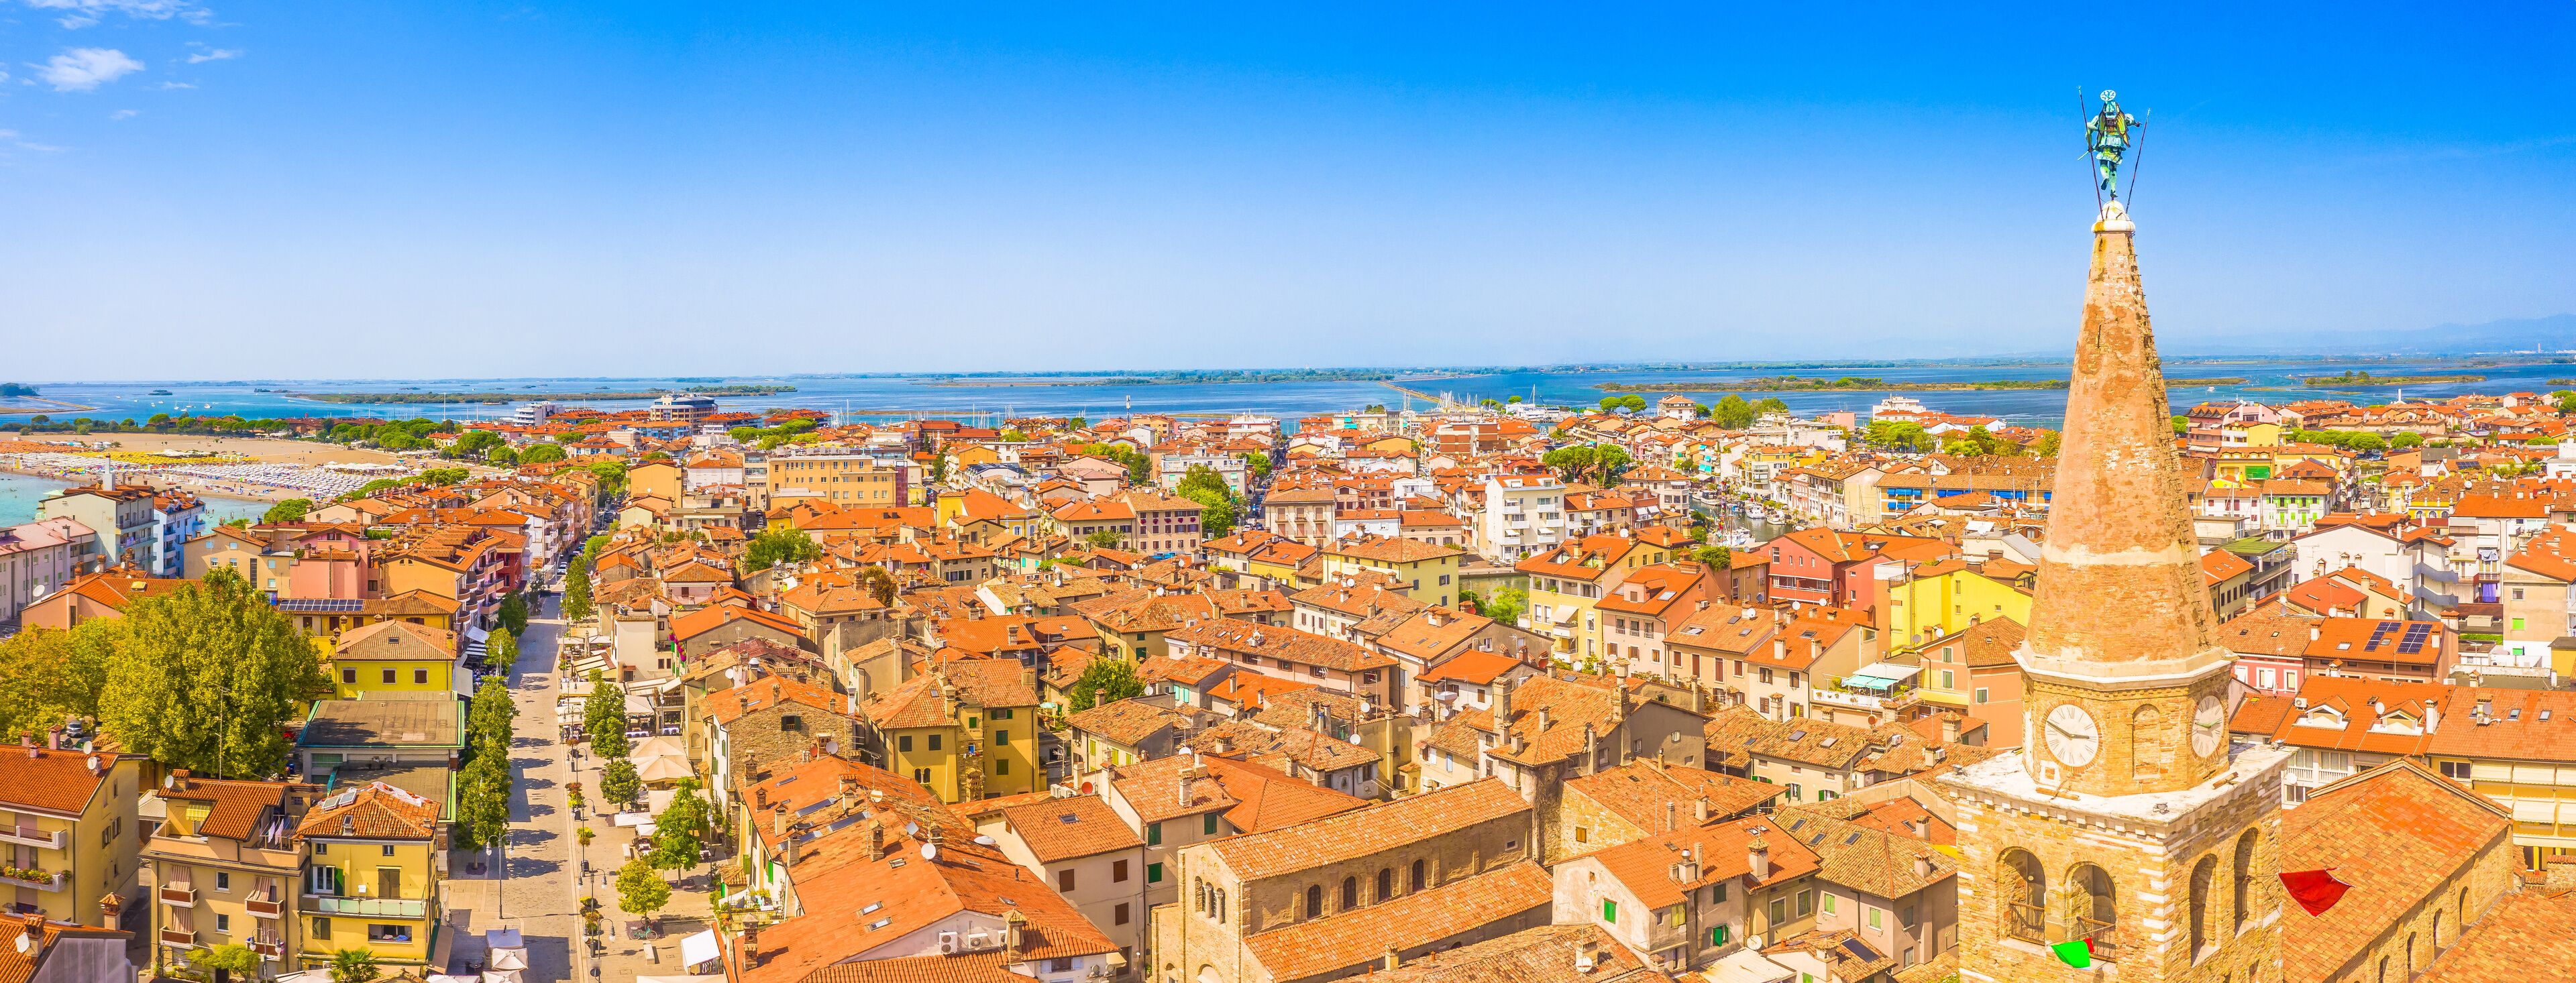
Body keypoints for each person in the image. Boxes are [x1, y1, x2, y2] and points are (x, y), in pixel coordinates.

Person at [2087, 89, 2143, 201]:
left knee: (2103, 162)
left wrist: (2091, 144)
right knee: (2114, 168)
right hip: (2117, 145)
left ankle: (2105, 177)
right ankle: (2113, 190)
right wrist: (2136, 124)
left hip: (2104, 144)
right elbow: (2131, 121)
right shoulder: (2122, 117)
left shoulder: (2099, 118)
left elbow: (2088, 127)